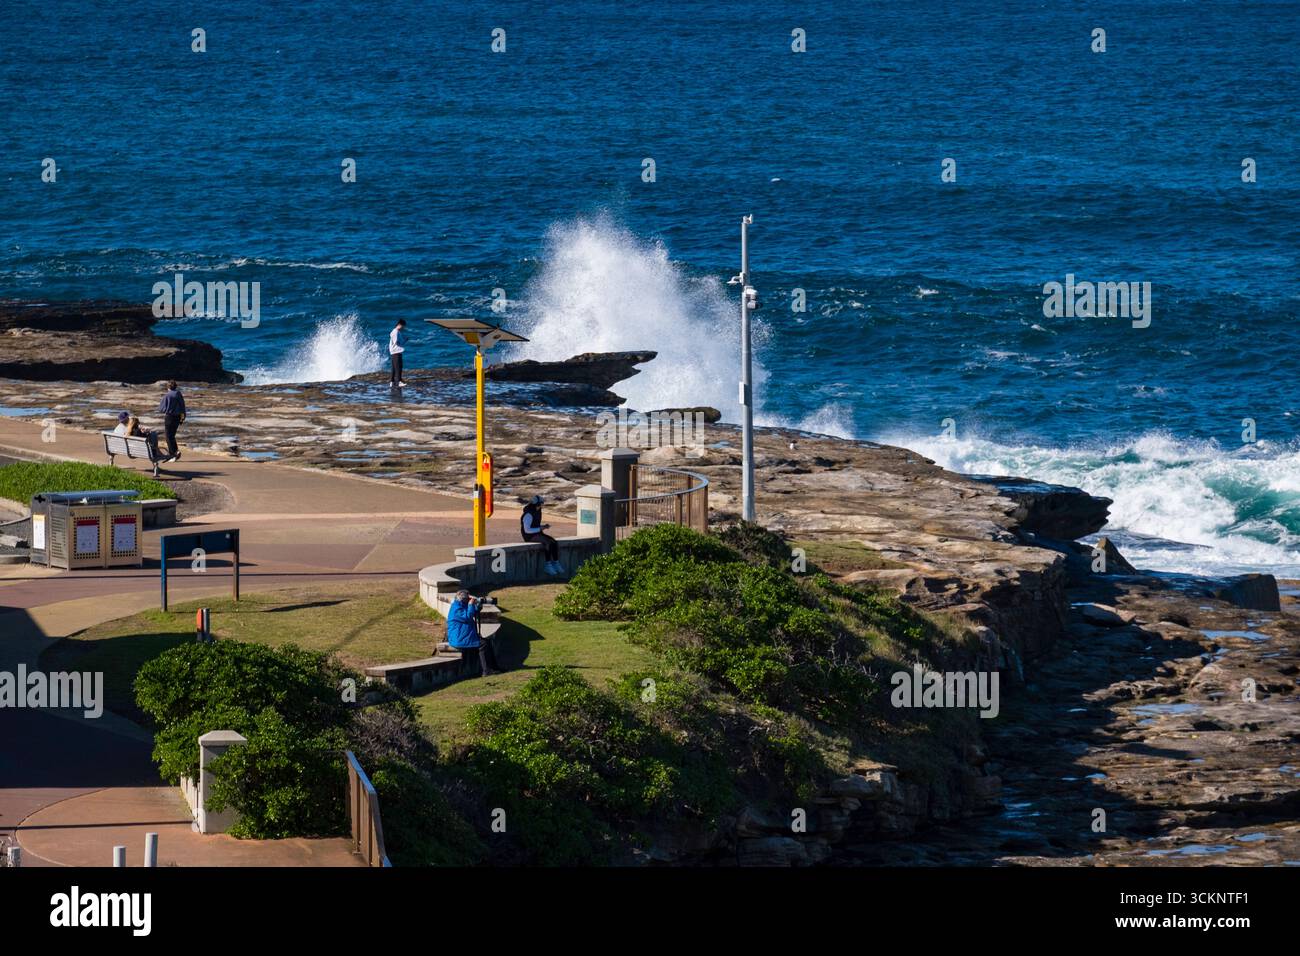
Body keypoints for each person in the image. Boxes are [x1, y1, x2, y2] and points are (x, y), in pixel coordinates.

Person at [445, 590, 501, 676]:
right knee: (483, 644)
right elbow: (468, 617)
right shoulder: (456, 609)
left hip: (464, 636)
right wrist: (471, 604)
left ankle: (494, 668)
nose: (469, 599)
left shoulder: (461, 605)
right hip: (459, 639)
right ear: (463, 599)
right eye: (467, 598)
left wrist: (477, 604)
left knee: (487, 642)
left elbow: (475, 611)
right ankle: (486, 671)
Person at [521, 494, 561, 575]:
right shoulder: (528, 514)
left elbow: (535, 525)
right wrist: (540, 528)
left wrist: (542, 527)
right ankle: (548, 565)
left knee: (553, 541)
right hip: (529, 536)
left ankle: (556, 563)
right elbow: (527, 530)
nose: (541, 506)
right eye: (541, 504)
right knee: (547, 542)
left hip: (537, 533)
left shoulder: (537, 511)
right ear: (537, 504)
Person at [156, 380, 186, 462]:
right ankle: (175, 452)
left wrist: (167, 409)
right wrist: (183, 417)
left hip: (169, 417)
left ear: (168, 387)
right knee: (172, 435)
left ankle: (173, 453)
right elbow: (183, 407)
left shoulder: (167, 396)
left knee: (168, 436)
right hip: (177, 417)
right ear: (175, 387)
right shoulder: (179, 394)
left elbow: (161, 409)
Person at [388, 319, 407, 387]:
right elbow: (396, 342)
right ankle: (398, 382)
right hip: (396, 351)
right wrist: (403, 341)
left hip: (395, 352)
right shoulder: (395, 332)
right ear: (400, 325)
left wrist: (404, 340)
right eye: (403, 326)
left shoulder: (396, 332)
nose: (403, 328)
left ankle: (392, 382)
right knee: (398, 367)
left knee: (394, 368)